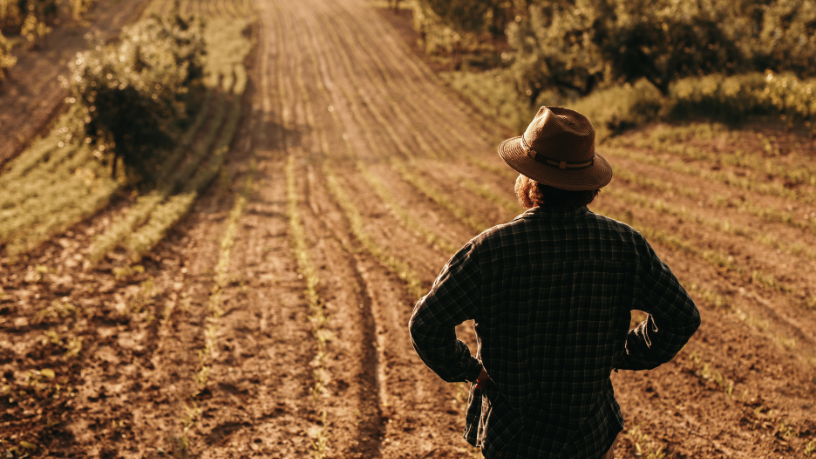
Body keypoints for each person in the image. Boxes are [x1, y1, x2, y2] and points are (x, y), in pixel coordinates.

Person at [408, 107, 701, 459]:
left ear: (529, 180)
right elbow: (681, 316)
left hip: (514, 435)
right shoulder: (624, 245)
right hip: (589, 434)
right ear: (590, 184)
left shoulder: (492, 250)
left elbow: (426, 323)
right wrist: (619, 353)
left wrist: (470, 370)